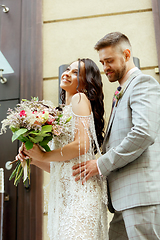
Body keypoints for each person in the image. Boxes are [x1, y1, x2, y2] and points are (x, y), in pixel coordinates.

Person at [72, 32, 160, 239]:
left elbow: (143, 133)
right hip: (122, 199)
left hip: (141, 197)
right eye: (102, 62)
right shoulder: (122, 91)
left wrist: (100, 164)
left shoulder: (142, 83)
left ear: (127, 54)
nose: (105, 68)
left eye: (109, 61)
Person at [17, 58, 108, 240]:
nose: (67, 73)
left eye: (76, 73)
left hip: (82, 196)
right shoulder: (60, 113)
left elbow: (82, 145)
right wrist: (35, 159)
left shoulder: (79, 98)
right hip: (67, 197)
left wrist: (44, 154)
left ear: (85, 83)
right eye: (68, 69)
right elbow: (62, 168)